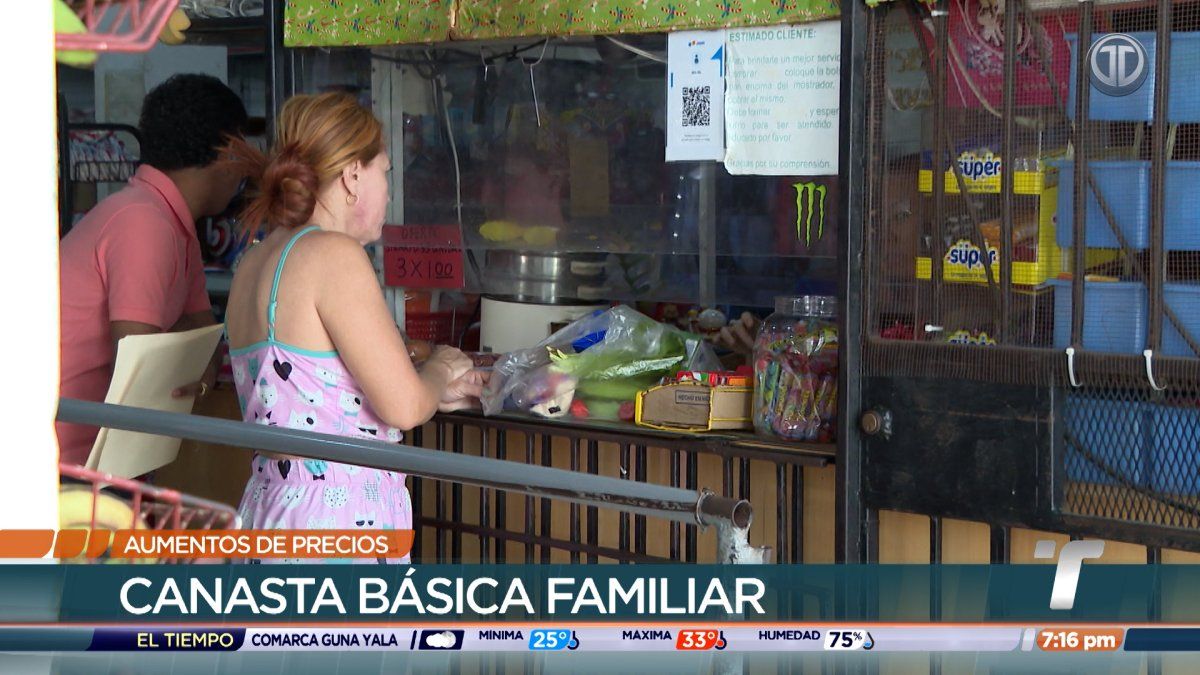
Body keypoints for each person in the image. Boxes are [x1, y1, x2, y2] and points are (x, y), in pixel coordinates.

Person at [222, 92, 484, 562]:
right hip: (336, 522)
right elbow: (404, 407)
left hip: (270, 512)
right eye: (385, 171)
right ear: (352, 175)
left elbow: (317, 394)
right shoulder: (333, 255)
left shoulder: (255, 260)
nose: (389, 190)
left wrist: (429, 389)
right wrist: (441, 369)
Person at [58, 74, 248, 466]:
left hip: (95, 452)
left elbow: (203, 340)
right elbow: (138, 373)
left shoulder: (173, 222)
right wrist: (185, 357)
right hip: (65, 456)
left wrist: (192, 362)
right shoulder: (143, 221)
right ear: (230, 152)